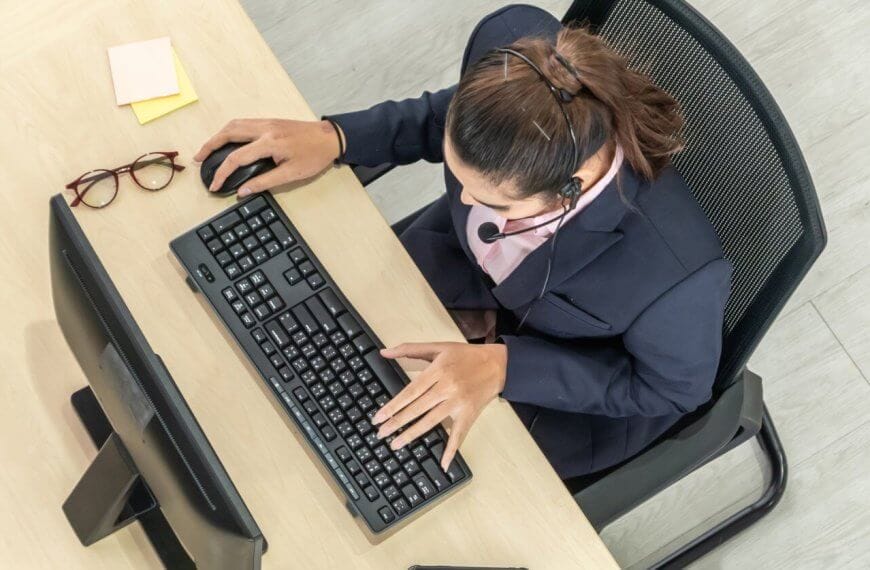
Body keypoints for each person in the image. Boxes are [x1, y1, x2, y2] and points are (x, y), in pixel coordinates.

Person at [193, 5, 731, 482]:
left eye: (496, 203)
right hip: (457, 271)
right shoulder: (511, 50)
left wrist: (506, 366)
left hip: (556, 382)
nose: (470, 205)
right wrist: (338, 138)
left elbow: (672, 391)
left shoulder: (678, 279)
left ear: (573, 187)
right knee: (294, 357)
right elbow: (441, 119)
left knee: (371, 463)